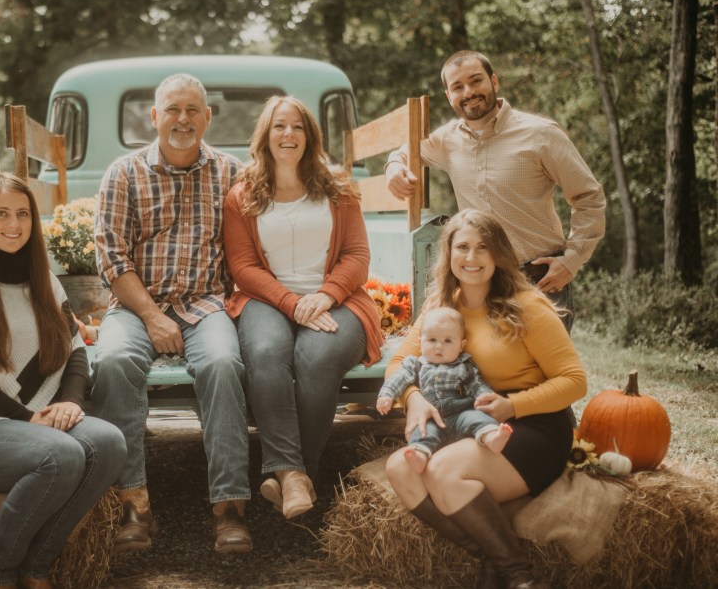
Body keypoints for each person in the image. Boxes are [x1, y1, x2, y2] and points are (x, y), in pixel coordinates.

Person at [0, 173, 126, 589]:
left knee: (108, 444)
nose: (13, 224)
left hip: (37, 419)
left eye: (22, 214)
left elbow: (76, 352)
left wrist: (71, 402)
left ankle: (36, 566)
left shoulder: (45, 281)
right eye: (1, 214)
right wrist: (27, 419)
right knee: (62, 456)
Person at [383, 209, 587, 589]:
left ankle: (519, 577)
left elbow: (574, 381)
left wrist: (513, 405)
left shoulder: (527, 305)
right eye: (462, 247)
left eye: (483, 248)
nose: (472, 258)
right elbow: (398, 362)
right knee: (400, 469)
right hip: (471, 420)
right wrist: (411, 398)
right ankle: (490, 557)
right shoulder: (443, 307)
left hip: (531, 424)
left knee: (442, 471)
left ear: (498, 255)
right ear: (449, 255)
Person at [91, 73, 251, 553]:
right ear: (154, 116)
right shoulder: (123, 173)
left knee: (223, 364)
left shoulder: (232, 173)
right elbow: (112, 256)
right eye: (173, 110)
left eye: (193, 110)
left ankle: (229, 508)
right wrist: (151, 316)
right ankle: (133, 504)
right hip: (137, 307)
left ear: (207, 117)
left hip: (207, 304)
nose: (183, 120)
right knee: (115, 361)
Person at [222, 96, 383, 520]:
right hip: (267, 299)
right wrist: (292, 303)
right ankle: (295, 476)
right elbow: (242, 265)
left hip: (337, 299)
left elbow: (357, 255)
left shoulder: (338, 189)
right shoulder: (242, 195)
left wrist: (326, 295)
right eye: (279, 126)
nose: (288, 135)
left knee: (316, 356)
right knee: (265, 352)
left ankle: (295, 475)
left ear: (310, 136)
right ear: (265, 135)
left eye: (297, 127)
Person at [385, 50, 605, 330]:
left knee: (546, 373)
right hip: (481, 285)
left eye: (476, 81)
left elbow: (590, 198)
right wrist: (393, 166)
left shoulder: (542, 135)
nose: (469, 92)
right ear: (448, 95)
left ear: (494, 81)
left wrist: (572, 260)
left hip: (541, 281)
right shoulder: (447, 140)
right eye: (458, 87)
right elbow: (406, 151)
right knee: (488, 373)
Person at [376, 306, 512, 474]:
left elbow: (477, 385)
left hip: (460, 413)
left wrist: (486, 398)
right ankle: (419, 454)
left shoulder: (464, 366)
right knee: (422, 431)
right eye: (432, 340)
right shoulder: (415, 364)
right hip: (430, 417)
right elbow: (398, 378)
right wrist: (387, 394)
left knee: (477, 418)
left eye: (448, 341)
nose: (439, 347)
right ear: (420, 342)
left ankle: (492, 437)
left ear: (461, 346)